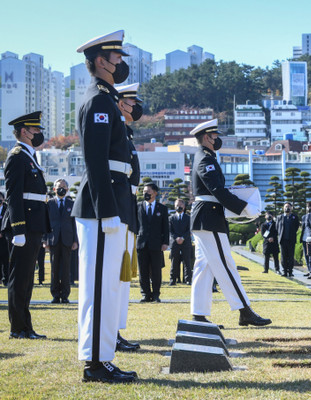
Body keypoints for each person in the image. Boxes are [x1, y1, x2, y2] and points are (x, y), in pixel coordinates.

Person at [72, 30, 137, 383]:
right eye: (117, 57)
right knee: (98, 286)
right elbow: (95, 160)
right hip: (101, 207)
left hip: (112, 201)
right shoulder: (98, 100)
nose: (121, 63)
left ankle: (103, 355)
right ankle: (95, 362)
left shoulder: (107, 99)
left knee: (109, 285)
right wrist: (107, 210)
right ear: (101, 60)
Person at [189, 119, 271, 327]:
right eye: (215, 136)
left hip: (207, 217)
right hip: (209, 217)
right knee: (225, 264)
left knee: (204, 266)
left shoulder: (205, 156)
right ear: (207, 137)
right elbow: (216, 190)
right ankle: (244, 311)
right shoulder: (204, 159)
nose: (218, 139)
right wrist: (243, 207)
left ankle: (199, 315)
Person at [2, 111, 51, 340]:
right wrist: (19, 229)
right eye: (36, 130)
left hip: (33, 225)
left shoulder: (29, 156)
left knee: (27, 279)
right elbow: (13, 196)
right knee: (19, 278)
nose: (40, 133)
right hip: (23, 227)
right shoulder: (16, 156)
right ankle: (18, 328)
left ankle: (26, 326)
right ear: (24, 131)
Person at [114, 81, 143, 352]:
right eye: (132, 102)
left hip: (127, 208)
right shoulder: (116, 133)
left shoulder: (127, 134)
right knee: (116, 276)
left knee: (124, 278)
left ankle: (116, 331)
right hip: (119, 208)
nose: (136, 107)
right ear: (121, 104)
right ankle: (110, 332)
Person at [45, 179, 78, 303]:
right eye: (59, 187)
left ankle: (65, 295)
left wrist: (75, 240)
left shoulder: (71, 204)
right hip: (53, 239)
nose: (61, 189)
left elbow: (75, 224)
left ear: (68, 189)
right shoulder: (49, 204)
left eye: (64, 186)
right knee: (54, 268)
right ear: (54, 189)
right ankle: (55, 294)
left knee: (66, 268)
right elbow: (45, 222)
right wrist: (45, 240)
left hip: (67, 240)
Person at [137, 182, 169, 303]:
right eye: (144, 191)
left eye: (148, 191)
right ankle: (145, 294)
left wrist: (165, 242)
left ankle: (156, 294)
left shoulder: (162, 208)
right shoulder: (138, 206)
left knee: (156, 271)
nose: (145, 193)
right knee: (143, 271)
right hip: (141, 243)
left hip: (156, 244)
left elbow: (165, 227)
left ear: (155, 193)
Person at [169, 199, 192, 285]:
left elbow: (189, 230)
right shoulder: (171, 218)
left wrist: (182, 238)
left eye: (180, 205)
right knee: (174, 262)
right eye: (177, 205)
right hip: (175, 243)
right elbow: (170, 231)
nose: (178, 207)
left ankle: (188, 279)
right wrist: (176, 238)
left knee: (187, 262)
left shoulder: (188, 218)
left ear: (184, 207)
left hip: (186, 242)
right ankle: (173, 280)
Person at [276, 202, 300, 277]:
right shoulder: (279, 217)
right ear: (283, 208)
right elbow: (277, 227)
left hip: (291, 240)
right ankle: (284, 271)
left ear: (291, 208)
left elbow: (296, 226)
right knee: (283, 256)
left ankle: (290, 271)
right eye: (286, 206)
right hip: (283, 240)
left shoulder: (294, 217)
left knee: (290, 256)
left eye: (289, 206)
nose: (287, 208)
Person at [0, 192, 9, 286]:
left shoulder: (7, 209)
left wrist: (2, 233)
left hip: (4, 239)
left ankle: (6, 279)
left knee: (5, 260)